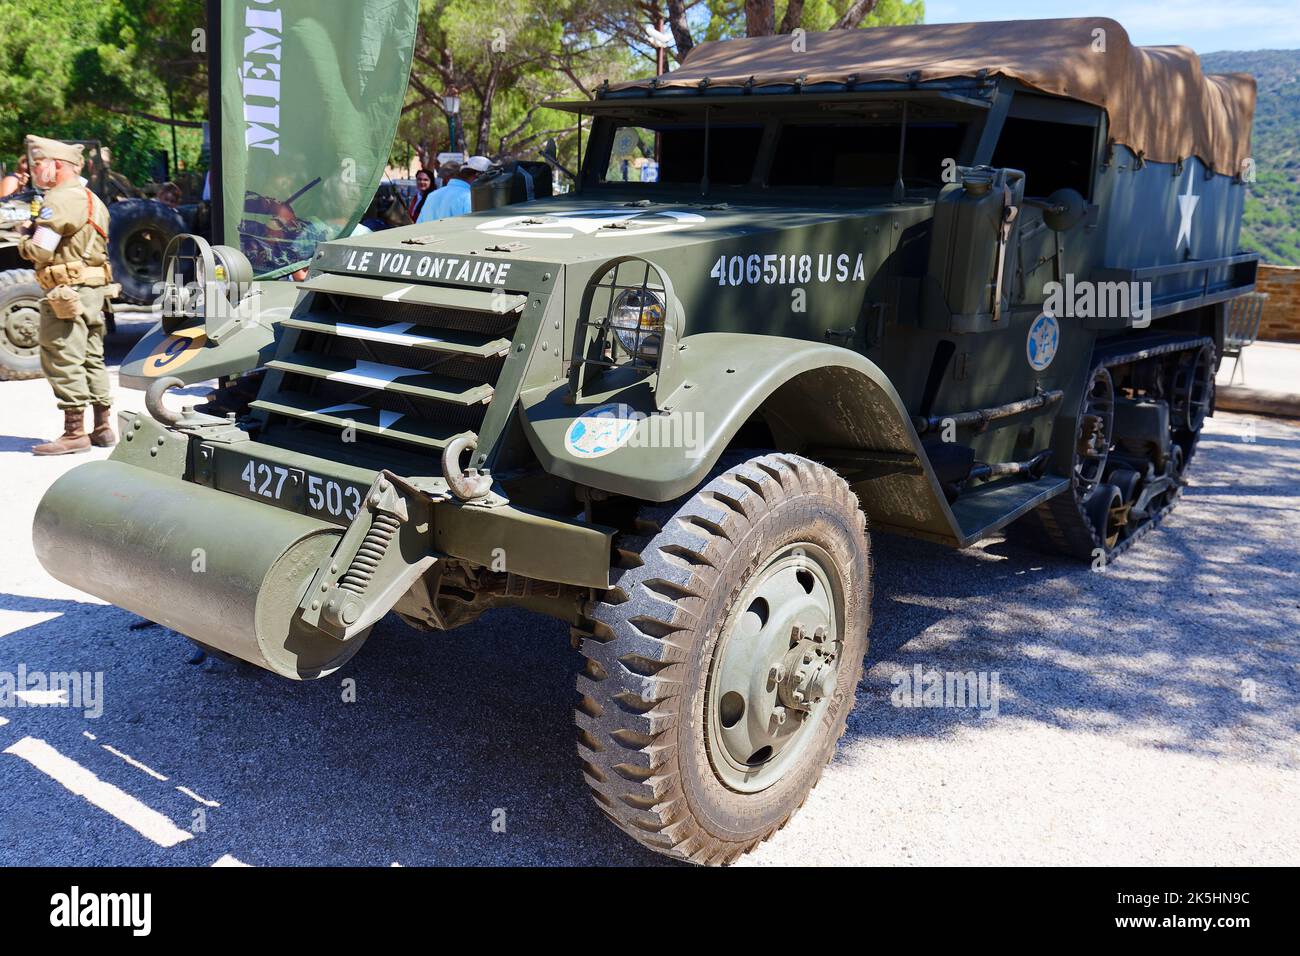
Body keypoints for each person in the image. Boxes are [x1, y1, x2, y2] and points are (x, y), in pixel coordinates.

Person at [17, 135, 118, 455]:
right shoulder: (93, 199)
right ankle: (102, 428)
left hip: (66, 293)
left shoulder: (58, 200)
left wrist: (23, 240)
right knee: (91, 358)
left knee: (62, 356)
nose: (35, 171)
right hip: (92, 291)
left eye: (38, 164)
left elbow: (41, 251)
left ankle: (74, 433)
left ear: (57, 165)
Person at [416, 155, 491, 222]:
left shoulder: (432, 196)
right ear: (477, 176)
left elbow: (418, 227)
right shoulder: (471, 198)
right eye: (490, 177)